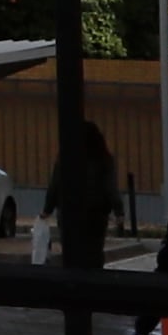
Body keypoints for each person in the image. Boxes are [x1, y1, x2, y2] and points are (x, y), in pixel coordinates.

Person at [54, 114, 120, 268]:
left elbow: (55, 183)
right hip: (96, 213)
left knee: (71, 251)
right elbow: (110, 187)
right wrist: (119, 210)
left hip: (68, 210)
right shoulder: (104, 159)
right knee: (94, 251)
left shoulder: (66, 157)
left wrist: (47, 208)